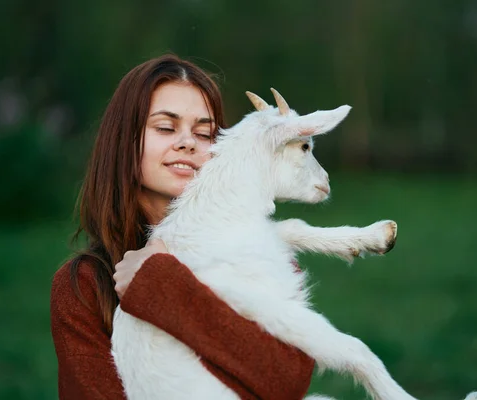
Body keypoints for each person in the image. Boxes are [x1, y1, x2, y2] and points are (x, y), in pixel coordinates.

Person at [50, 54, 315, 400]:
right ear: (124, 141)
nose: (188, 142)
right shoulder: (83, 287)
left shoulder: (260, 253)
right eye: (165, 127)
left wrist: (160, 286)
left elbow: (289, 379)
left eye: (204, 133)